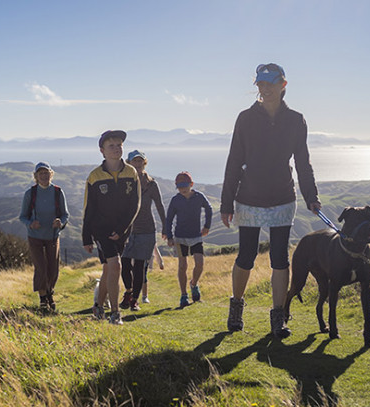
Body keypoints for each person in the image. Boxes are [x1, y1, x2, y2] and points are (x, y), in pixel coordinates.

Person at [220, 63, 321, 337]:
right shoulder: (245, 118)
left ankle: (279, 318)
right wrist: (226, 203)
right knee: (246, 256)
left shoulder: (296, 120)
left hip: (282, 197)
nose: (264, 89)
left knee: (280, 258)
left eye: (270, 84)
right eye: (260, 84)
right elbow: (233, 161)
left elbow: (303, 162)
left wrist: (312, 196)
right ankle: (236, 308)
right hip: (249, 198)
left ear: (283, 85)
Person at [83, 130, 141, 325]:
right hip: (101, 229)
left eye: (119, 145)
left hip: (123, 230)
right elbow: (88, 208)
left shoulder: (131, 172)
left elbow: (135, 205)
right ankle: (115, 313)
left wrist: (122, 229)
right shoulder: (94, 176)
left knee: (109, 269)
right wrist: (86, 237)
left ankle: (98, 307)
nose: (116, 149)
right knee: (115, 264)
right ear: (102, 151)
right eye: (111, 146)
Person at [18, 162, 69, 312]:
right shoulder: (30, 194)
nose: (44, 176)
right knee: (41, 268)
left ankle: (49, 294)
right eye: (41, 174)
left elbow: (65, 215)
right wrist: (30, 224)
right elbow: (22, 217)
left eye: (46, 173)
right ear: (36, 176)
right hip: (35, 237)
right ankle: (43, 300)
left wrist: (61, 222)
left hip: (53, 236)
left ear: (51, 174)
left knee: (52, 269)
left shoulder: (58, 192)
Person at [120, 150, 167, 311]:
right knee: (125, 264)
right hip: (127, 230)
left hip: (146, 230)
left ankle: (134, 300)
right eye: (135, 161)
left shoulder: (152, 184)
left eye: (140, 161)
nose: (138, 164)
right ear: (129, 163)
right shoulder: (125, 182)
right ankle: (128, 291)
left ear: (144, 163)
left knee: (139, 266)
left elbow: (160, 206)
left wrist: (166, 227)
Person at [163, 171, 212, 308]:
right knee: (182, 265)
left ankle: (194, 284)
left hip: (196, 236)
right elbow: (169, 219)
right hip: (180, 237)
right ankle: (184, 295)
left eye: (184, 185)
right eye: (179, 186)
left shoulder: (198, 197)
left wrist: (207, 226)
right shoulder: (176, 200)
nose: (182, 189)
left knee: (200, 264)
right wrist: (170, 236)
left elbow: (209, 209)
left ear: (191, 184)